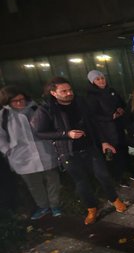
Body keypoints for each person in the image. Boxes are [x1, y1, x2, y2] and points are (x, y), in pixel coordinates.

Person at [32, 77, 127, 225]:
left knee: (103, 175)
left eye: (70, 90)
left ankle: (114, 199)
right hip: (68, 152)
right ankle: (91, 208)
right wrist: (65, 134)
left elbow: (93, 124)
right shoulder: (46, 108)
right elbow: (39, 132)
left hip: (89, 147)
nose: (69, 93)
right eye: (63, 91)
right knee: (81, 182)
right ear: (53, 93)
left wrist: (103, 142)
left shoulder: (80, 102)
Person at [0, 86, 61, 220]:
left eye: (21, 99)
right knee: (34, 185)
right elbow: (1, 137)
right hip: (21, 157)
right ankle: (43, 206)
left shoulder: (36, 109)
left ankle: (55, 205)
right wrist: (8, 151)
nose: (19, 103)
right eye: (15, 101)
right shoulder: (4, 116)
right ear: (7, 102)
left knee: (52, 180)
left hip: (44, 151)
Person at [85, 70, 131, 186]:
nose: (101, 81)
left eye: (102, 78)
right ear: (92, 82)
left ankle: (128, 172)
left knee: (124, 152)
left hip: (119, 127)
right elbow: (93, 116)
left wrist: (121, 109)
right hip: (106, 131)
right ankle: (118, 178)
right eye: (98, 79)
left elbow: (122, 103)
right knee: (114, 155)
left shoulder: (111, 91)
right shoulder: (91, 97)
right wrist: (110, 117)